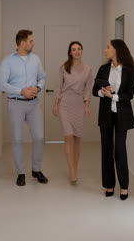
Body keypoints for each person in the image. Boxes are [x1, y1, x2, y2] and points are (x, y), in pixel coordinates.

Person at [0, 29, 48, 186]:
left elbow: (42, 77)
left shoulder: (36, 60)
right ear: (22, 43)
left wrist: (38, 88)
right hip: (15, 104)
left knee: (39, 137)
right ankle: (21, 173)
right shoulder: (7, 61)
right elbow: (1, 84)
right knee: (17, 139)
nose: (33, 43)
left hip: (34, 104)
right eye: (31, 41)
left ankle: (36, 169)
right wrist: (21, 91)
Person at [92, 39, 134, 200]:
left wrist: (114, 96)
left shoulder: (129, 71)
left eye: (108, 47)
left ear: (117, 50)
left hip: (122, 115)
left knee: (120, 151)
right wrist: (103, 92)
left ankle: (124, 187)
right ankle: (109, 185)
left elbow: (129, 94)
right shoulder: (103, 69)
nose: (106, 50)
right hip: (105, 114)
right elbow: (94, 91)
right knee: (106, 150)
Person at [53, 41, 93, 184]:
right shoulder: (64, 67)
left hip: (79, 104)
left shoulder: (87, 69)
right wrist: (56, 104)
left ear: (82, 51)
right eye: (73, 49)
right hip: (65, 102)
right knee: (68, 135)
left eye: (79, 49)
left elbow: (88, 88)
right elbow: (58, 86)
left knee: (77, 138)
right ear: (70, 52)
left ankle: (75, 167)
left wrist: (87, 105)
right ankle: (71, 170)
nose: (76, 51)